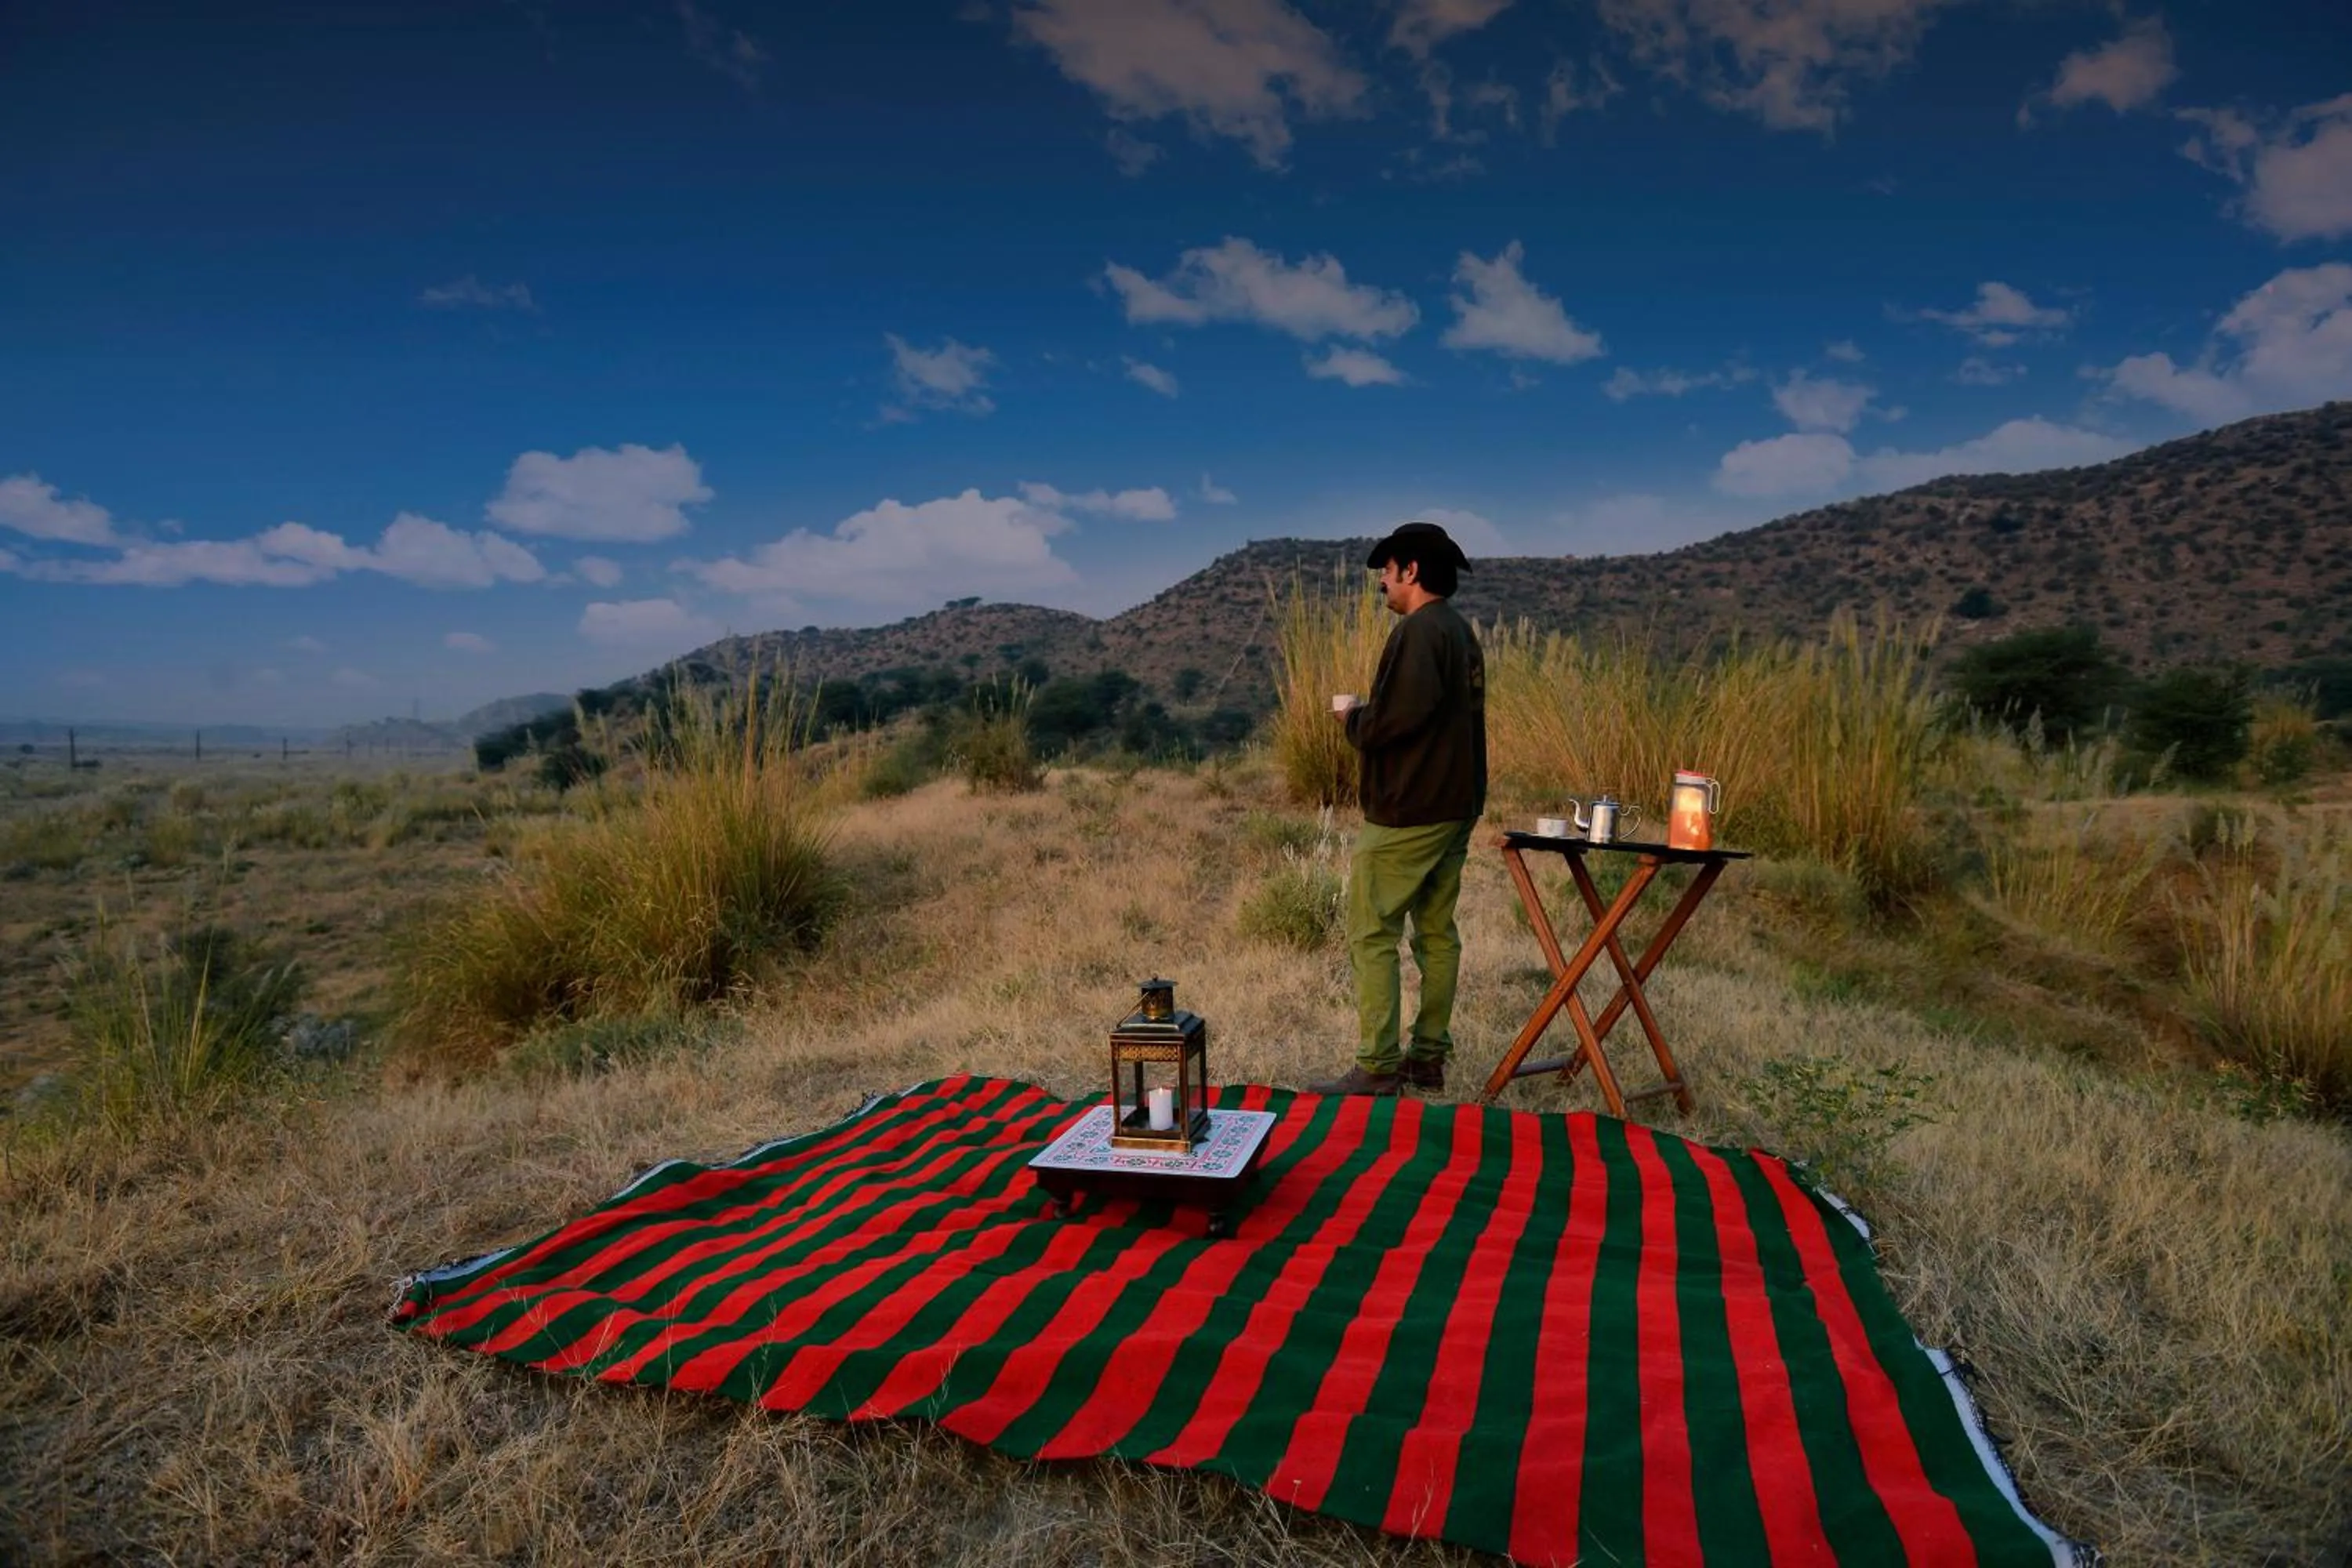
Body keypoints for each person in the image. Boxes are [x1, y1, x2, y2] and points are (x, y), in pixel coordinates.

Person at [1309, 521, 1487, 1098]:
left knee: (1371, 931)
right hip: (1456, 804)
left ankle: (1379, 1066)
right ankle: (1427, 1058)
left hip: (1410, 809)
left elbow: (1401, 719)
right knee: (1436, 933)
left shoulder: (1419, 632)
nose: (1381, 583)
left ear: (1411, 571)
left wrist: (1354, 720)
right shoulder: (1459, 632)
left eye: (1386, 571)